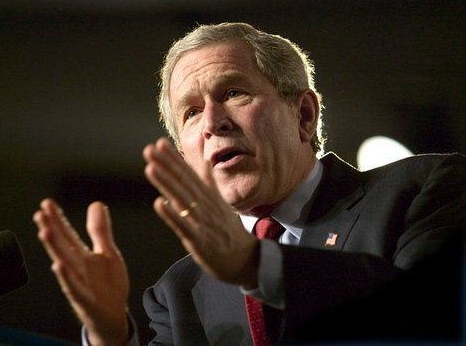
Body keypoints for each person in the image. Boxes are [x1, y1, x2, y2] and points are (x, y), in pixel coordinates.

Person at [33, 22, 465, 345]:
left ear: (304, 116)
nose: (212, 122)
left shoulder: (422, 189)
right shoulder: (177, 293)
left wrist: (257, 267)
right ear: (185, 156)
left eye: (234, 93)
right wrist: (110, 335)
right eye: (190, 113)